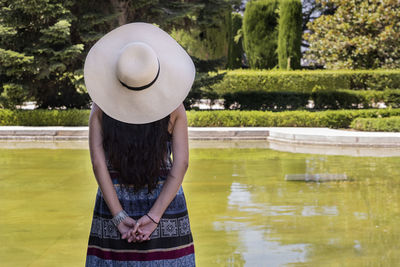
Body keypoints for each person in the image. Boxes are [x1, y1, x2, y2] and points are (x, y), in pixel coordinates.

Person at [83, 22, 196, 266]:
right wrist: (154, 216)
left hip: (113, 201)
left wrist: (118, 216)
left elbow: (97, 163)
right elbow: (182, 163)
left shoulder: (100, 107)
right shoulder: (175, 108)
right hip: (165, 205)